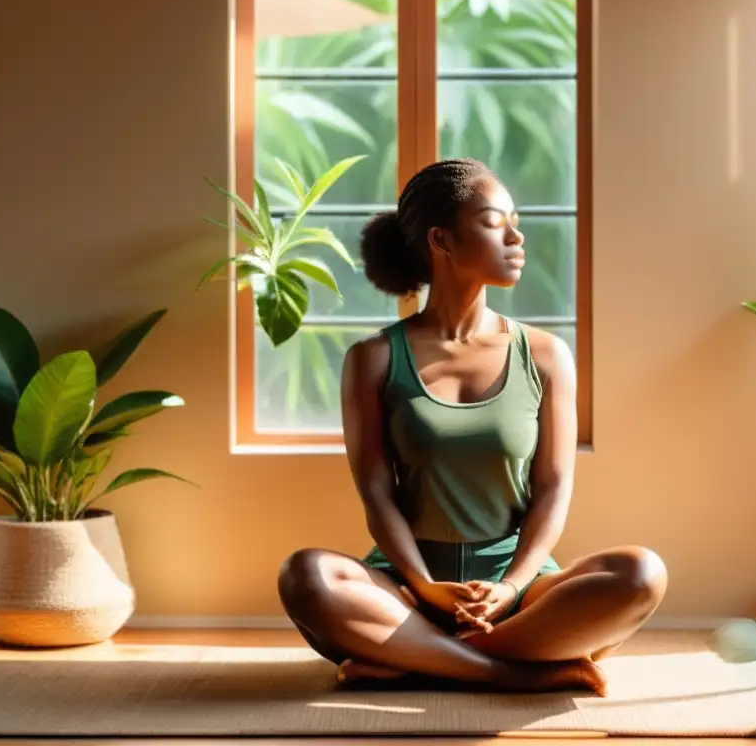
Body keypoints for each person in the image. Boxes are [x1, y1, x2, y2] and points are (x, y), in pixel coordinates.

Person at [278, 158, 667, 696]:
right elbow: (376, 493)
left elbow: (553, 489)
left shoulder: (546, 355)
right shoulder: (372, 358)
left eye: (514, 220)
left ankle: (420, 663)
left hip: (518, 600)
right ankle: (516, 672)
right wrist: (424, 586)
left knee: (641, 574)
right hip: (404, 597)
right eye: (493, 222)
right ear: (442, 240)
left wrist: (510, 589)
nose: (516, 235)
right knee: (307, 577)